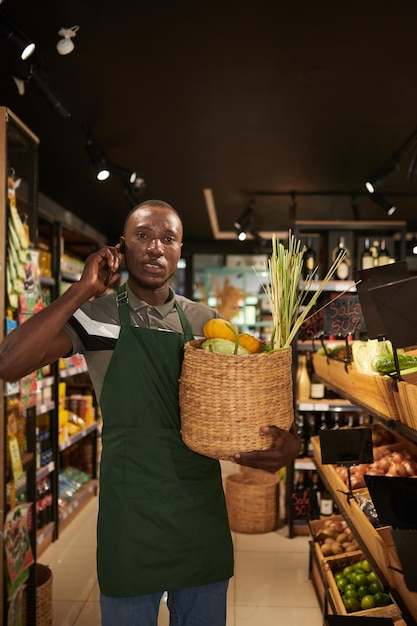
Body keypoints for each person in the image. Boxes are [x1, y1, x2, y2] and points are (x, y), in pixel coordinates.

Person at [0, 199, 301, 626]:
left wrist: (287, 440)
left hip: (199, 510)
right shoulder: (95, 317)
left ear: (179, 250)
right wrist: (82, 289)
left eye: (168, 238)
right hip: (131, 512)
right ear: (122, 246)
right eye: (143, 236)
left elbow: (246, 401)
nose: (156, 247)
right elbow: (8, 363)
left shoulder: (206, 322)